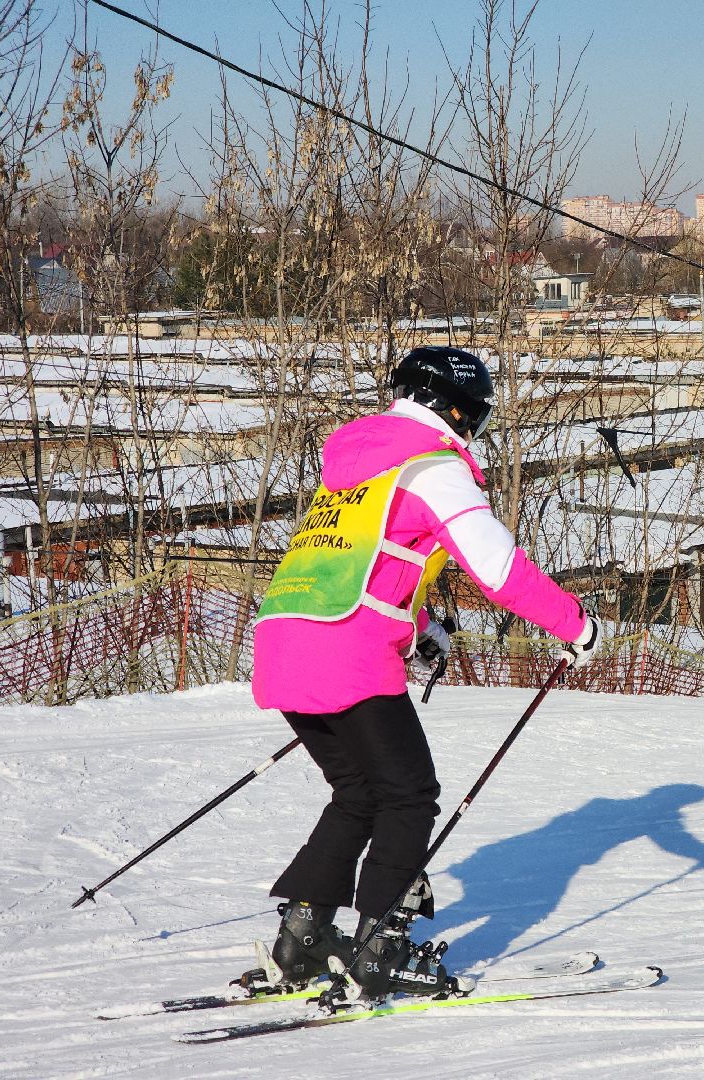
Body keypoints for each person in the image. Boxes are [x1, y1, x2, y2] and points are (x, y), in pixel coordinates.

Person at [249, 345, 601, 1002]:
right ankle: (380, 949)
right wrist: (574, 624)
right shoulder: (434, 467)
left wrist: (420, 630)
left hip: (284, 639)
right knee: (409, 795)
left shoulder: (359, 465)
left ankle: (303, 936)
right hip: (345, 651)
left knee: (359, 792)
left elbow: (362, 567)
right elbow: (499, 570)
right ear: (458, 409)